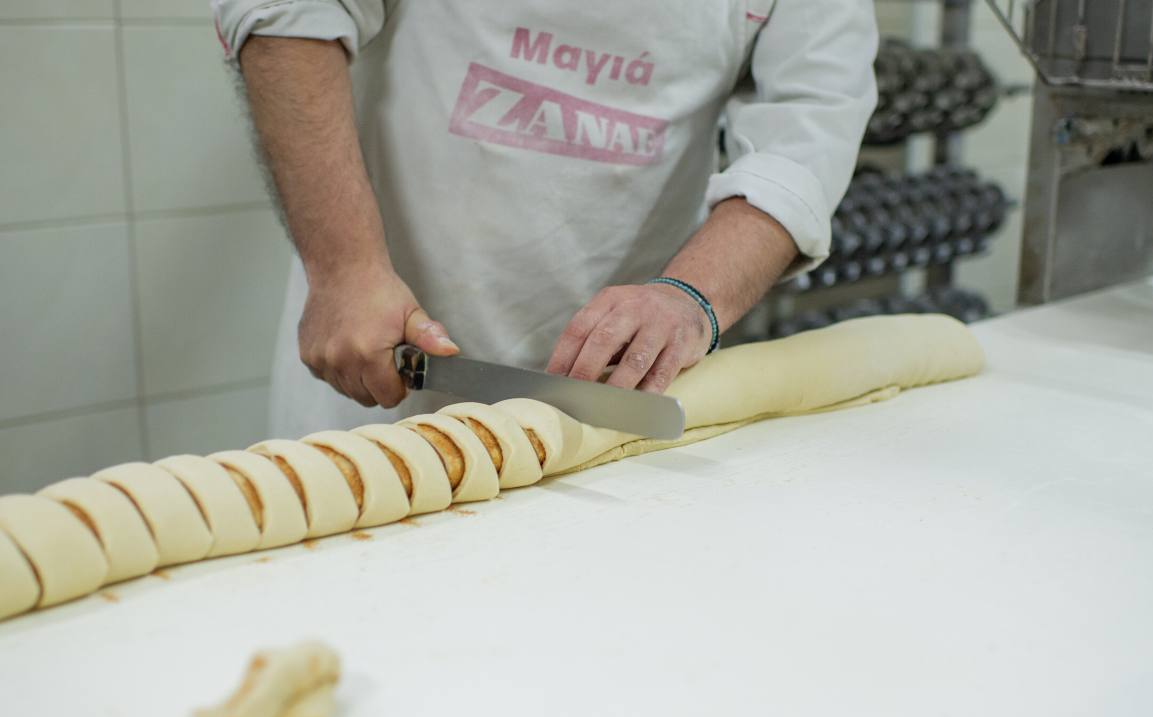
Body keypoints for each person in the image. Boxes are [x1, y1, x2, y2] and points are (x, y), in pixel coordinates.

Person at [211, 0, 878, 438]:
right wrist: (345, 268)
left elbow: (811, 123)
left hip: (621, 399)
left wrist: (689, 297)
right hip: (382, 368)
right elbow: (289, 14)